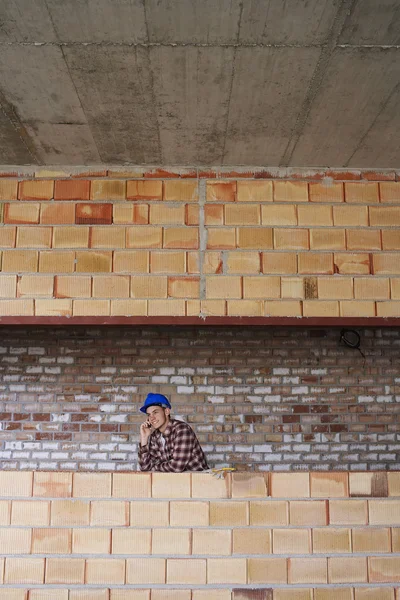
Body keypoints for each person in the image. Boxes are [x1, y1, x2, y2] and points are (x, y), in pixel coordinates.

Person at [138, 393, 209, 472]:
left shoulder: (182, 430)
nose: (152, 418)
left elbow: (176, 467)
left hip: (198, 481)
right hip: (176, 482)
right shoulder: (155, 436)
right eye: (149, 415)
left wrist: (153, 468)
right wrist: (144, 439)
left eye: (155, 412)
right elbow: (145, 468)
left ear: (167, 411)